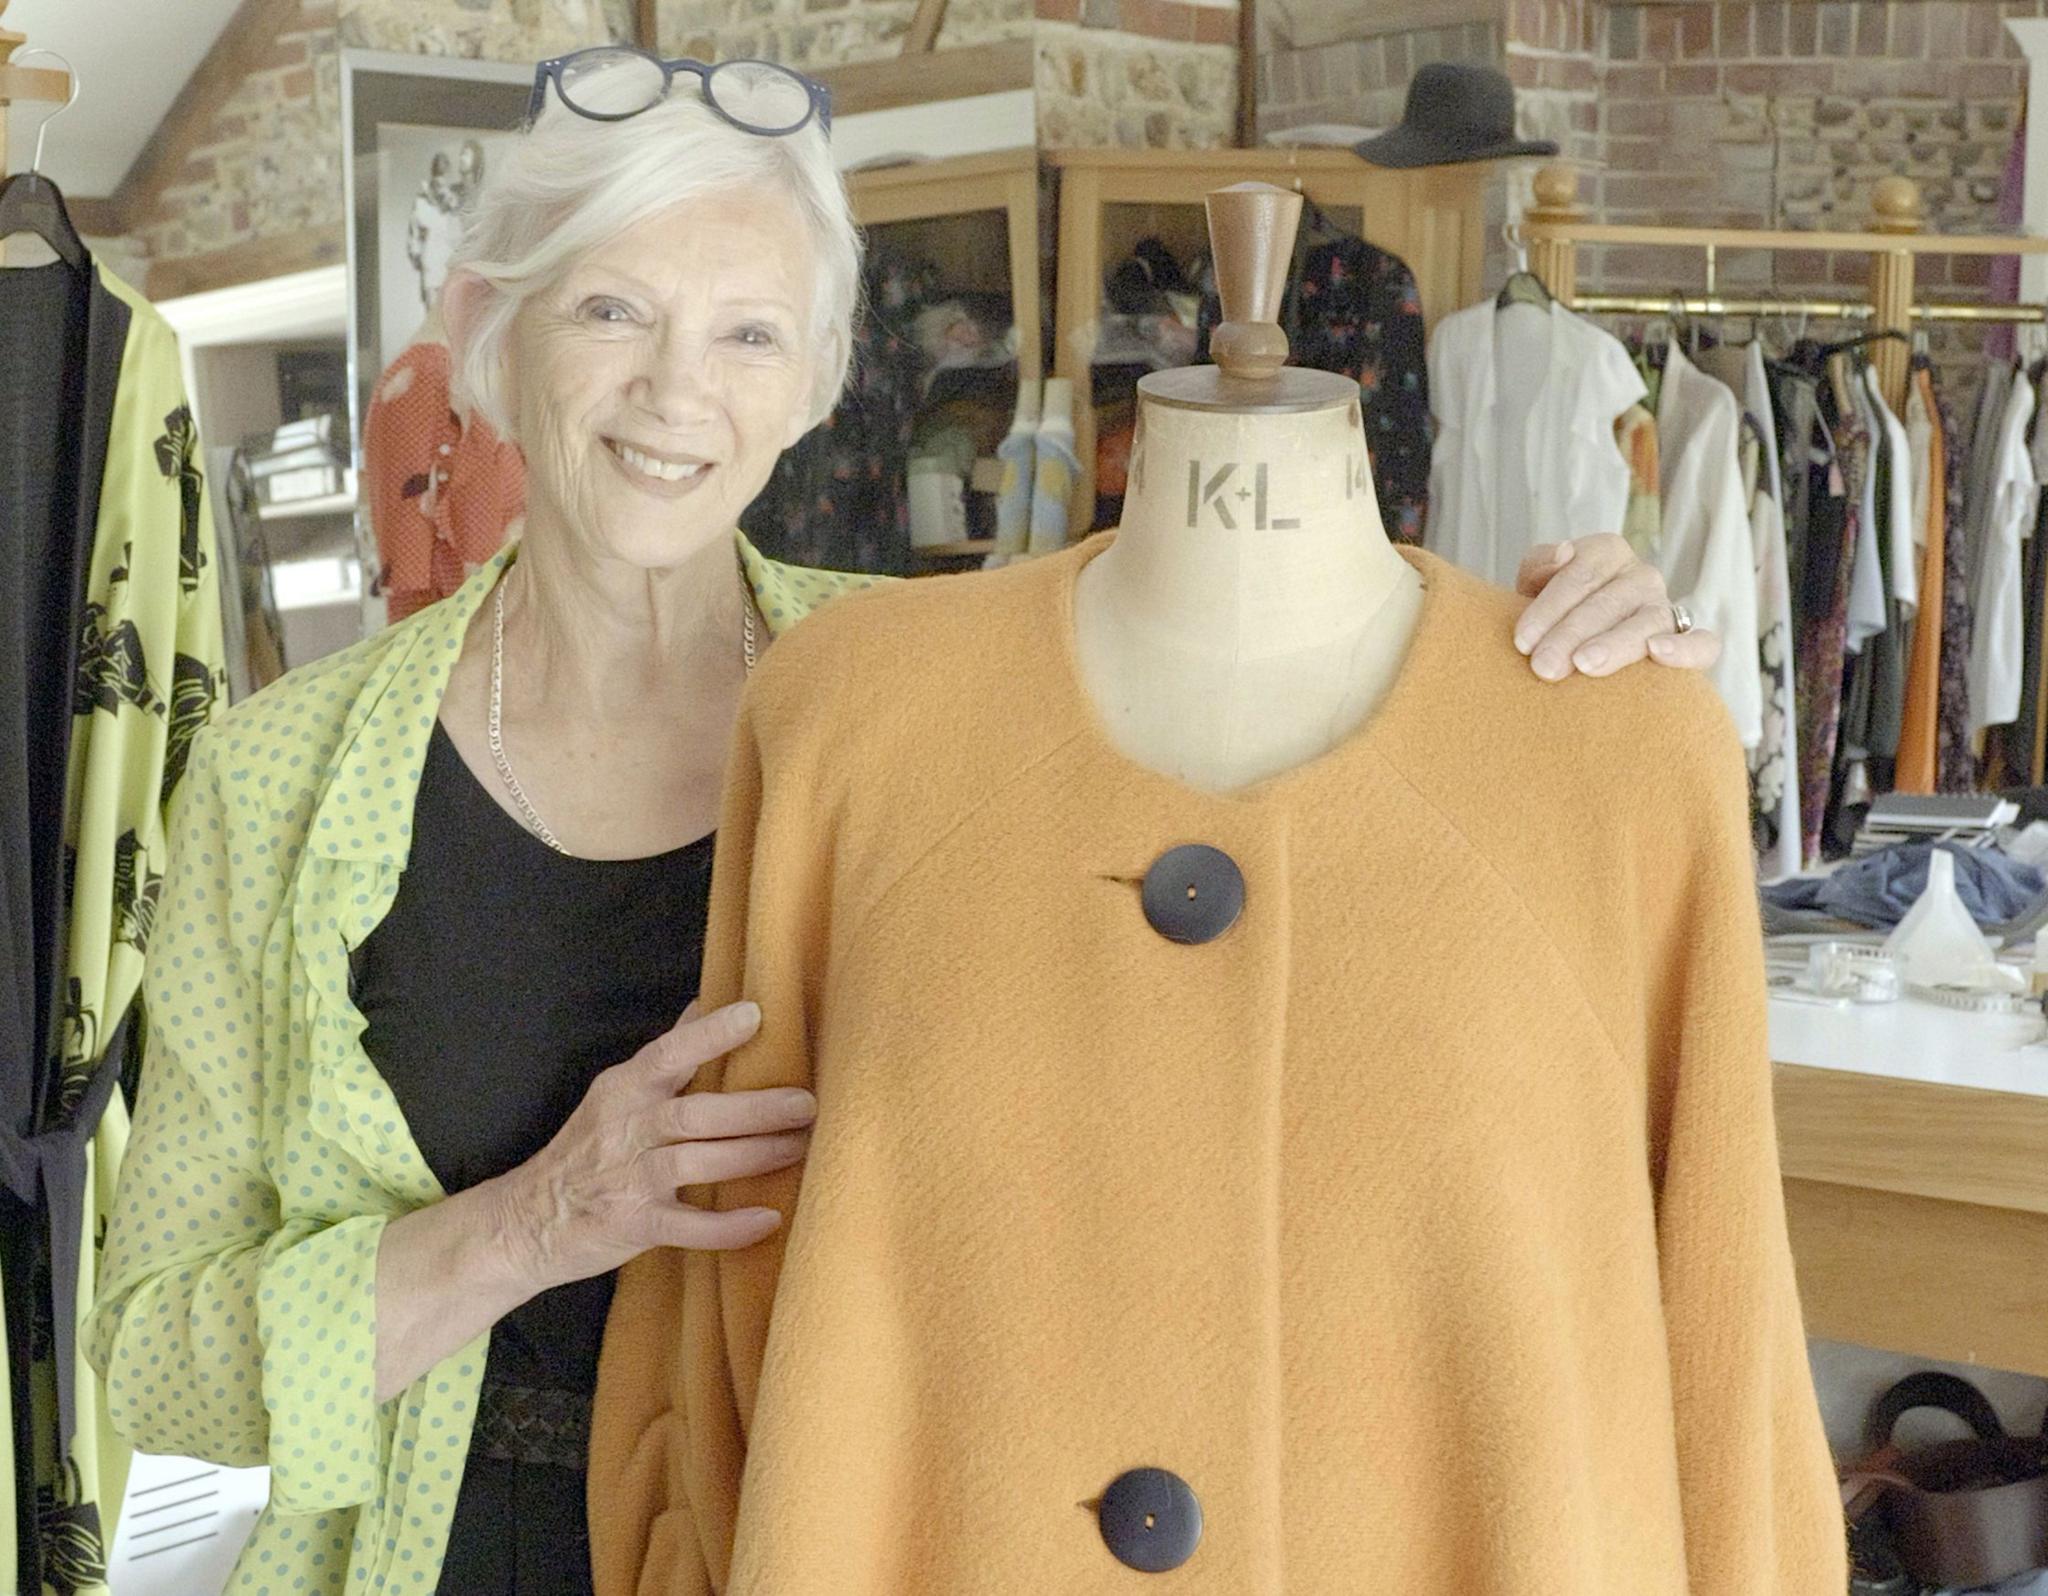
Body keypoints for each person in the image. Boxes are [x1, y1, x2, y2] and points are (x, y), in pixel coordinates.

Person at [86, 45, 1723, 1596]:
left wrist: (1552, 672)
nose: (677, 392)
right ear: (485, 331)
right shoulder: (280, 779)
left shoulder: (952, 719)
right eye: (610, 310)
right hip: (442, 1553)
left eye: (746, 334)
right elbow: (156, 1359)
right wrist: (535, 1221)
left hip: (865, 1531)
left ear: (814, 381)